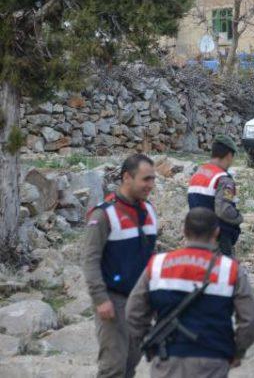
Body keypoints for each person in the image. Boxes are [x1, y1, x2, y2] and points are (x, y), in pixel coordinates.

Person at [126, 207, 254, 378]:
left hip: (167, 358)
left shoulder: (158, 265)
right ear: (217, 231)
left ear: (184, 231)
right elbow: (251, 320)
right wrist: (237, 351)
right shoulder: (230, 269)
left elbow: (133, 313)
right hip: (213, 361)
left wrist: (147, 341)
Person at [82, 154, 158, 378]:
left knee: (130, 364)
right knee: (112, 367)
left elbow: (151, 255)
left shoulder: (150, 211)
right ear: (127, 177)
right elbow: (90, 259)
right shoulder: (104, 214)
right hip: (113, 301)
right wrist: (100, 299)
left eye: (153, 179)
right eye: (146, 179)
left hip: (141, 302)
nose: (151, 185)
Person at [188, 134, 243, 256]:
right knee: (224, 272)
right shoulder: (223, 179)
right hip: (218, 239)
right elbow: (224, 210)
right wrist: (239, 218)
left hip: (196, 235)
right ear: (229, 155)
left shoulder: (198, 174)